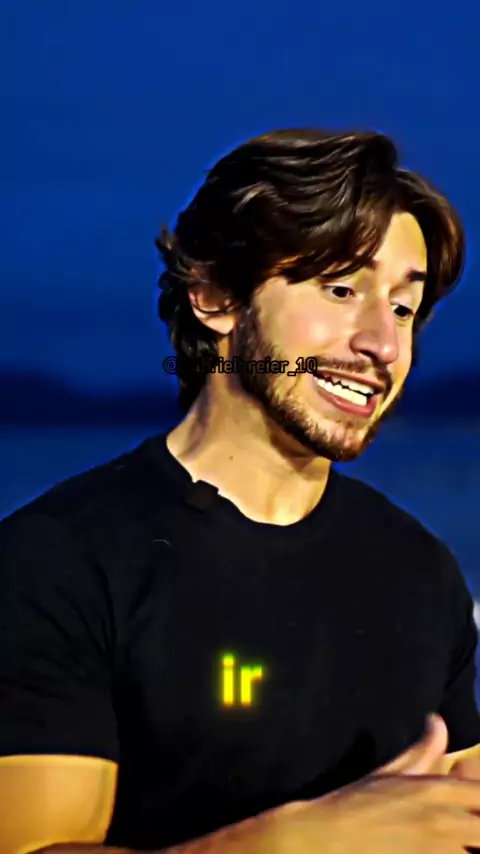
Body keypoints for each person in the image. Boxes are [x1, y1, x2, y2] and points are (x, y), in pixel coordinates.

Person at [1, 128, 480, 854]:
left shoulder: (422, 572)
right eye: (341, 289)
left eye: (404, 308)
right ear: (216, 296)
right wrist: (296, 843)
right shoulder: (56, 562)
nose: (383, 344)